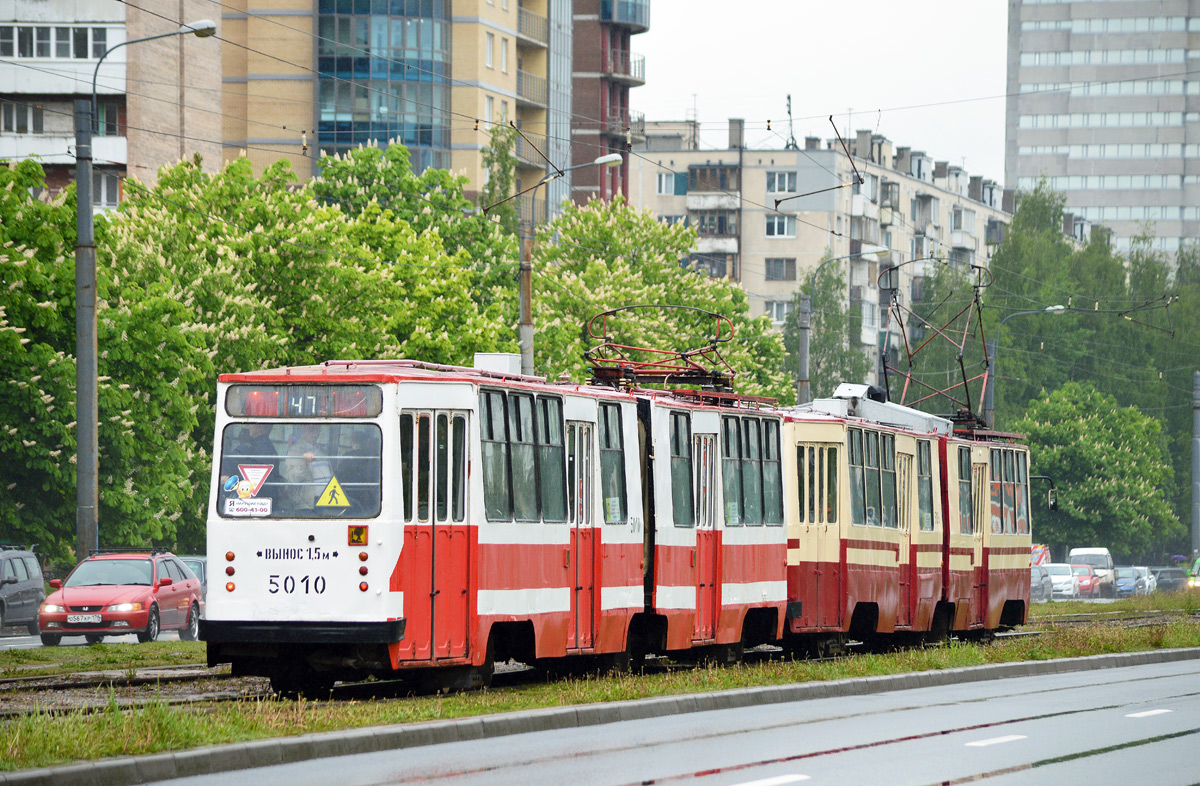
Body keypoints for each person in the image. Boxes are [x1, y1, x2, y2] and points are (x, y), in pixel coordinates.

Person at [282, 424, 323, 512]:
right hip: (305, 505)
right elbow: (292, 479)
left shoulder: (321, 451)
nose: (315, 433)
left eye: (318, 430)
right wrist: (303, 462)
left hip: (325, 501)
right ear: (304, 429)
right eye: (311, 429)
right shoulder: (295, 450)